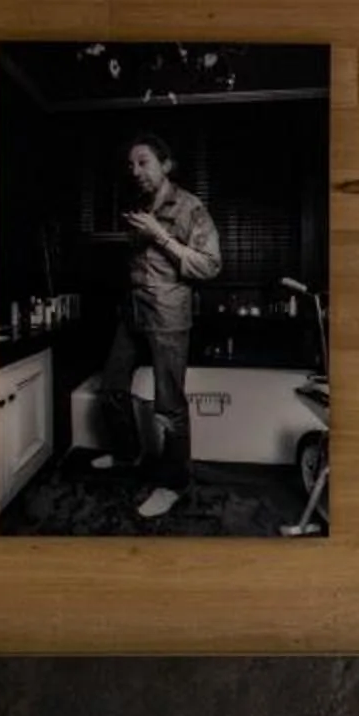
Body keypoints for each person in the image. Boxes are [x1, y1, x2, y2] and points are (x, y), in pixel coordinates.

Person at [90, 131, 220, 519]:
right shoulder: (137, 204)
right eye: (131, 165)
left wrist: (160, 235)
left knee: (169, 404)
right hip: (131, 311)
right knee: (111, 388)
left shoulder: (190, 208)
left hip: (168, 314)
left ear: (166, 165)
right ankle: (129, 454)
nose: (135, 171)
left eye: (143, 162)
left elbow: (210, 265)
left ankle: (174, 483)